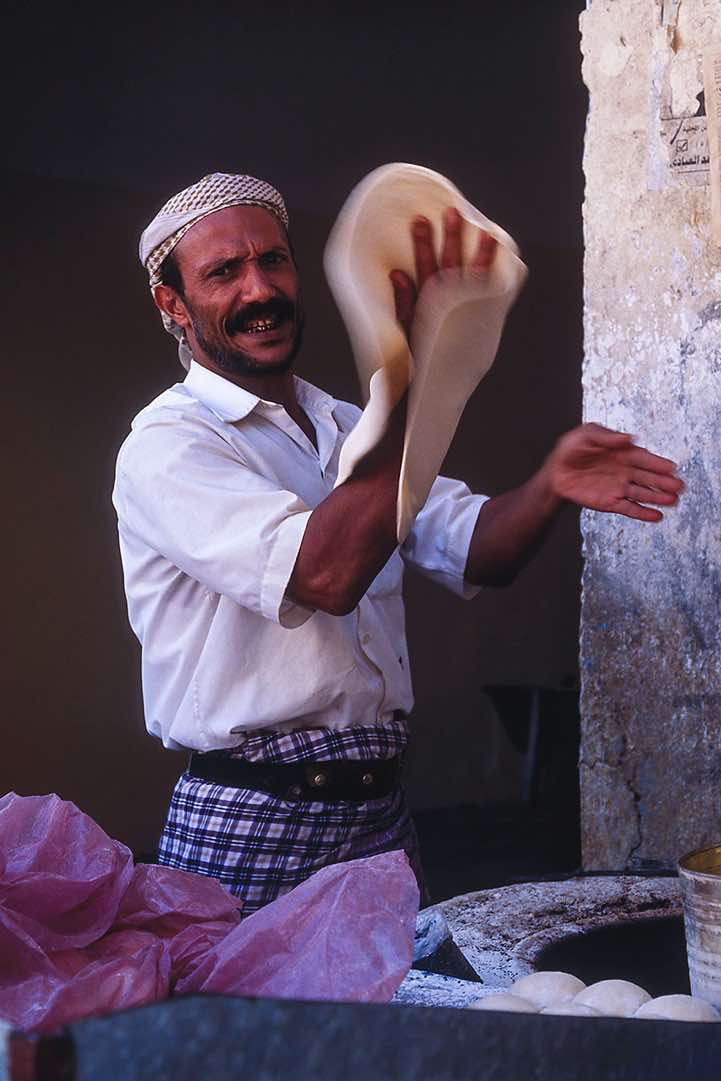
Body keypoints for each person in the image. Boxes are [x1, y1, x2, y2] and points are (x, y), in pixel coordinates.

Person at [113, 172, 683, 915]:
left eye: (273, 261)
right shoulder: (168, 443)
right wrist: (415, 369)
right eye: (223, 272)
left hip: (379, 817)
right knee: (260, 1031)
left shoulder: (347, 425)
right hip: (250, 816)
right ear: (173, 304)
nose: (259, 290)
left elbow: (479, 549)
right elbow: (325, 572)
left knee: (392, 1024)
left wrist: (549, 486)